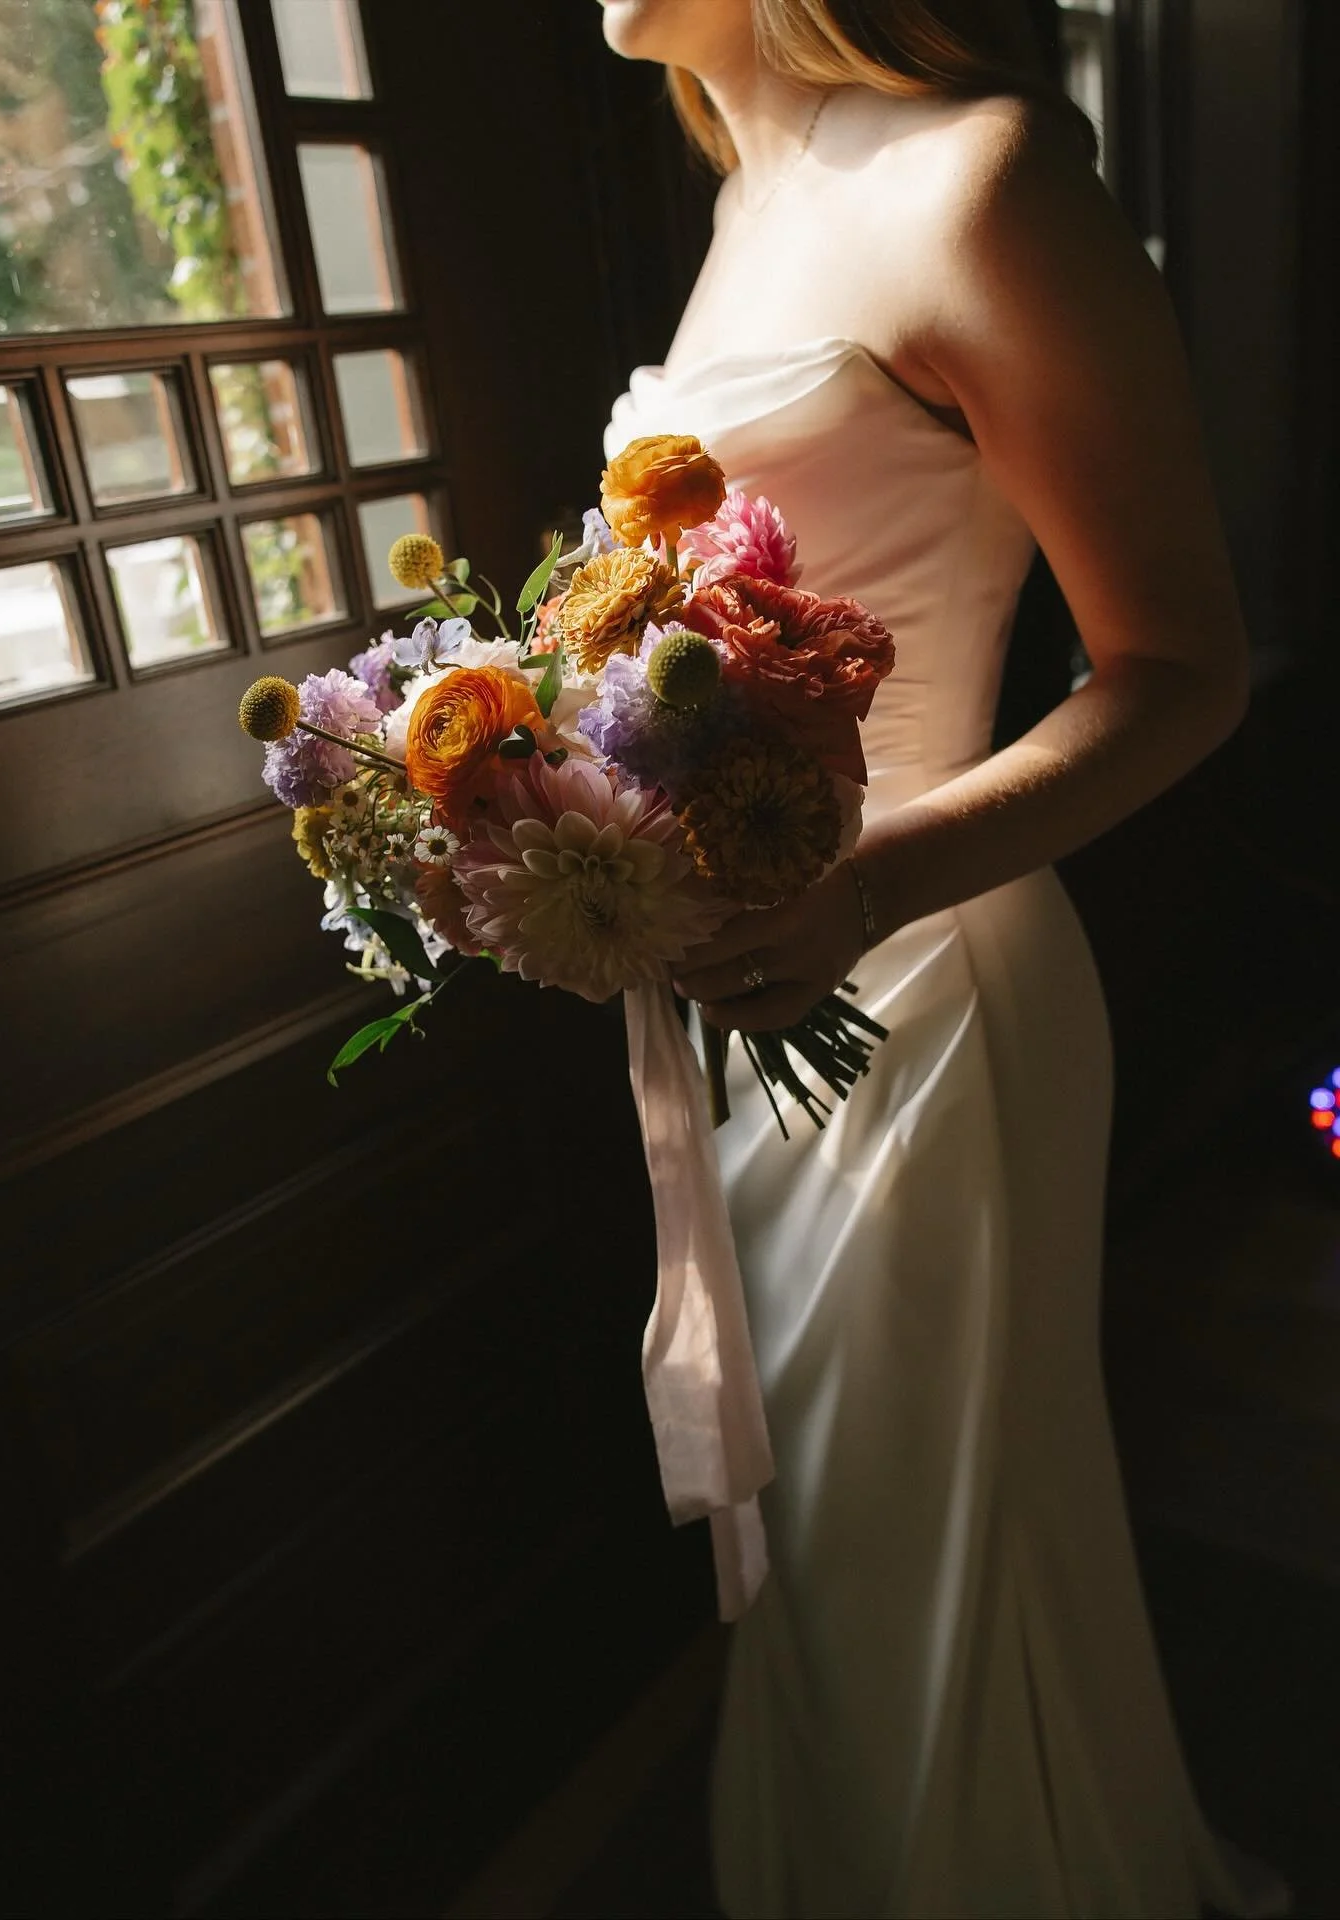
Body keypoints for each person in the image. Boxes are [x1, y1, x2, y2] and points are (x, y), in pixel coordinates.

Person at [597, 2, 1295, 1915]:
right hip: (762, 1009)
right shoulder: (741, 207)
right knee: (832, 1570)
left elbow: (1183, 668)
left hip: (926, 987)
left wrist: (867, 889)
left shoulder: (980, 178)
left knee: (914, 1559)